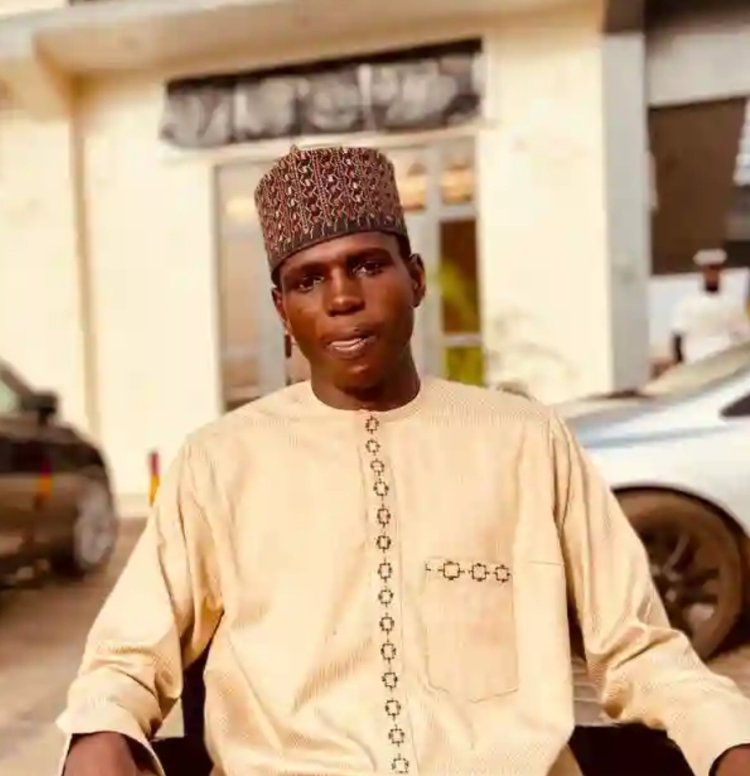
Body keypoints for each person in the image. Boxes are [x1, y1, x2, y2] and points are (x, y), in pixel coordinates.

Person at [60, 145, 750, 776]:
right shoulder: (219, 462)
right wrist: (101, 730)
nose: (342, 298)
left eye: (367, 265)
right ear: (282, 310)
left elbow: (638, 646)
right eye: (308, 280)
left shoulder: (527, 440)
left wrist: (726, 738)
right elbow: (126, 658)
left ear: (415, 278)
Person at [671, 248, 750, 364]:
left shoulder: (732, 303)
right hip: (697, 361)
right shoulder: (688, 303)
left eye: (716, 269)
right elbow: (678, 336)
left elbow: (745, 335)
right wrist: (679, 365)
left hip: (725, 360)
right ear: (703, 272)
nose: (712, 274)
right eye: (709, 270)